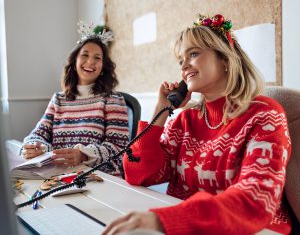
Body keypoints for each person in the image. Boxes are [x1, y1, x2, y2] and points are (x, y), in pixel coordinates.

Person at [103, 14, 291, 234]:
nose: (184, 66)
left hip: (256, 230)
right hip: (189, 227)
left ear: (224, 58)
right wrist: (160, 112)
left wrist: (166, 220)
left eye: (193, 54)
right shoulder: (185, 120)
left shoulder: (264, 114)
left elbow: (255, 199)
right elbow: (139, 174)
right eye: (180, 60)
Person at [21, 25, 129, 177]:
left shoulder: (113, 100)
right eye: (85, 55)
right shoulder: (58, 100)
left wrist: (84, 155)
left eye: (97, 58)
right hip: (57, 177)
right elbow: (37, 134)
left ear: (103, 66)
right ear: (74, 60)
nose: (90, 61)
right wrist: (36, 147)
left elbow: (119, 150)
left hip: (97, 179)